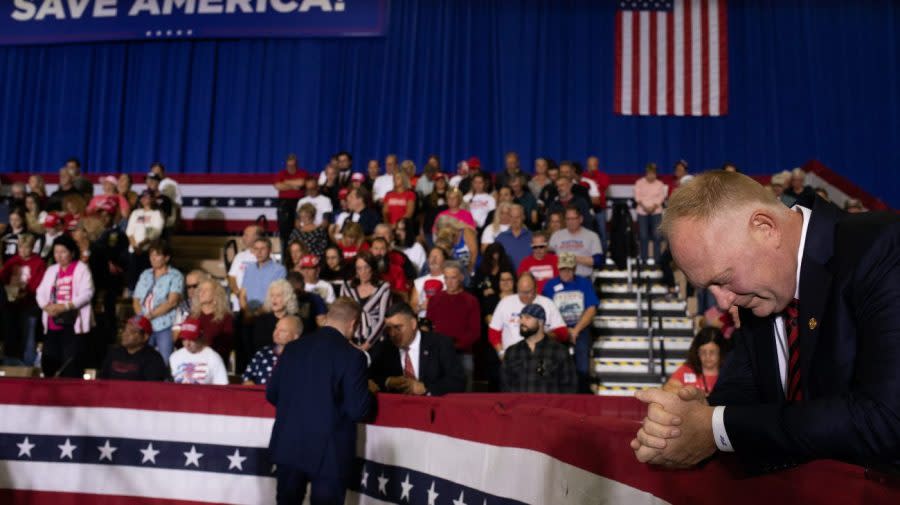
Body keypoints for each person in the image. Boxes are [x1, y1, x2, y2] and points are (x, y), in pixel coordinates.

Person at [629, 170, 900, 474]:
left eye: (724, 280)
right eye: (710, 288)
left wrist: (715, 426)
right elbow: (739, 403)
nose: (723, 302)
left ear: (765, 228)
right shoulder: (758, 292)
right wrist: (687, 419)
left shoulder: (882, 246)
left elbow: (886, 420)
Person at [267, 297, 373, 504]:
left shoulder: (293, 349)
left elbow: (272, 393)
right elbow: (357, 410)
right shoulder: (353, 357)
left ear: (327, 318)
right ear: (353, 324)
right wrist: (369, 392)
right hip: (330, 454)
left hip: (289, 444)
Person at [370, 302, 466, 396]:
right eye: (389, 329)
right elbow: (370, 377)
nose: (393, 334)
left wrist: (425, 388)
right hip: (398, 408)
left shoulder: (440, 344)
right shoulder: (385, 348)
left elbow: (457, 381)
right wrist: (388, 381)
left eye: (397, 327)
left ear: (413, 323)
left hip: (432, 407)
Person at [35, 235, 95, 378]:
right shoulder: (51, 270)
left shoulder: (81, 269)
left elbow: (87, 293)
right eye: (56, 252)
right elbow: (40, 292)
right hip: (52, 323)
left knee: (70, 365)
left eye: (63, 252)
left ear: (72, 253)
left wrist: (65, 306)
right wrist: (46, 307)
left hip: (73, 324)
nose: (59, 256)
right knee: (49, 363)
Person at [542, 253, 599, 394]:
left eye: (569, 269)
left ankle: (583, 394)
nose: (566, 273)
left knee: (582, 366)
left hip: (580, 328)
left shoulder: (584, 283)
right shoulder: (550, 286)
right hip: (557, 329)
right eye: (563, 269)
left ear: (574, 269)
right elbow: (545, 311)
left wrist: (575, 330)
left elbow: (591, 309)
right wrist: (563, 330)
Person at [500, 303, 577, 394]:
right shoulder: (512, 352)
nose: (522, 322)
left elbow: (569, 387)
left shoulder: (559, 351)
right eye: (521, 317)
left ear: (540, 322)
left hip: (550, 407)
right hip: (519, 407)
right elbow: (504, 387)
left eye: (527, 318)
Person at [488, 273, 567, 355]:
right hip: (513, 357)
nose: (525, 296)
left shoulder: (548, 303)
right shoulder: (505, 303)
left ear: (536, 288)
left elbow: (563, 333)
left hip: (542, 356)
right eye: (521, 292)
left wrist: (543, 335)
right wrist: (501, 353)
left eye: (528, 292)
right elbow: (493, 333)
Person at [426, 261, 481, 379]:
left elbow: (475, 331)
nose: (449, 282)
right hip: (438, 355)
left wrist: (455, 346)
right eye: (446, 278)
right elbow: (428, 326)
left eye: (453, 278)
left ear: (461, 277)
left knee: (464, 394)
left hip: (463, 354)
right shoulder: (435, 299)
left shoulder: (471, 301)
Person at [132, 241, 184, 366]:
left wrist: (150, 315)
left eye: (157, 255)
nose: (153, 258)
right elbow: (136, 300)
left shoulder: (175, 275)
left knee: (164, 361)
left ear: (166, 258)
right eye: (151, 255)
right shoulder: (145, 274)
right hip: (144, 325)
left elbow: (172, 302)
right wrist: (141, 317)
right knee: (140, 359)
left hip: (164, 325)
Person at [0, 233, 46, 364]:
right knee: (10, 333)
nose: (23, 251)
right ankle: (10, 362)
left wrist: (25, 291)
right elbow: (3, 278)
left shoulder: (38, 263)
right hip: (12, 305)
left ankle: (27, 363)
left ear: (32, 248)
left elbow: (38, 283)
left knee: (29, 335)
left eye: (26, 248)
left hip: (30, 305)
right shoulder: (12, 261)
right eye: (20, 247)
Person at [339, 252, 391, 347]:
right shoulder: (346, 287)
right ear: (355, 270)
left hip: (375, 339)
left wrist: (367, 345)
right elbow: (342, 315)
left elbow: (383, 319)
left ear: (373, 268)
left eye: (366, 267)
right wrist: (348, 341)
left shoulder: (383, 288)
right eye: (359, 268)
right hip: (350, 339)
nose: (363, 272)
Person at [98, 315, 169, 381]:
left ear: (145, 337)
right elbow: (102, 381)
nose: (125, 334)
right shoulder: (114, 353)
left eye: (132, 331)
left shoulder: (153, 358)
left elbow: (153, 389)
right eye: (125, 330)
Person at [663, 327, 730, 396]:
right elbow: (667, 389)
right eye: (703, 352)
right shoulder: (687, 370)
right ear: (697, 352)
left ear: (721, 352)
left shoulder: (729, 372)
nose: (707, 356)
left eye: (712, 352)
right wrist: (692, 395)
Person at [243, 315, 302, 385]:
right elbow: (247, 376)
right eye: (276, 328)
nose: (276, 333)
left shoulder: (301, 357)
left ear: (295, 336)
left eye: (283, 331)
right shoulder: (262, 353)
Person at [169, 317, 229, 385]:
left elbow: (222, 387)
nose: (187, 344)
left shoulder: (213, 357)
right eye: (184, 339)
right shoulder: (174, 357)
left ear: (200, 338)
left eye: (191, 339)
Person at [549, 206, 604, 278]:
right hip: (560, 279)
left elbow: (598, 261)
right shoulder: (556, 235)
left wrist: (571, 258)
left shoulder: (592, 236)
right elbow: (549, 258)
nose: (570, 222)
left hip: (583, 278)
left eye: (573, 219)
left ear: (580, 219)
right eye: (568, 219)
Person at [125, 190, 165, 290]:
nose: (144, 199)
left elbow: (155, 232)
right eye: (143, 197)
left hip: (148, 250)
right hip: (133, 250)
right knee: (133, 275)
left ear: (152, 199)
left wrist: (141, 245)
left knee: (147, 276)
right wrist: (135, 246)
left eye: (147, 197)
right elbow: (129, 231)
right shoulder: (135, 213)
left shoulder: (157, 214)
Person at [190, 278, 235, 363]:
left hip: (215, 362)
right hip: (193, 362)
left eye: (206, 290)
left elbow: (227, 344)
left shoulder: (226, 318)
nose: (201, 293)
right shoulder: (192, 317)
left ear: (215, 294)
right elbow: (181, 342)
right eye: (200, 290)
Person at [633, 162, 667, 262]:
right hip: (642, 211)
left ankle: (657, 259)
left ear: (656, 174)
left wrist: (653, 207)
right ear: (646, 173)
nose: (651, 176)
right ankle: (644, 259)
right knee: (643, 236)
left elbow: (661, 197)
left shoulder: (660, 184)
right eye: (649, 173)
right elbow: (637, 197)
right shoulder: (639, 183)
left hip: (656, 211)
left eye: (653, 174)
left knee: (657, 236)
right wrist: (645, 207)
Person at [274, 153, 309, 249]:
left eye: (293, 165)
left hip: (300, 203)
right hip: (284, 203)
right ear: (286, 165)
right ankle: (285, 256)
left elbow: (301, 183)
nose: (291, 167)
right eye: (289, 165)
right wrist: (294, 185)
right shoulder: (282, 173)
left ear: (297, 164)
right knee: (285, 230)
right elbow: (278, 186)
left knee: (299, 228)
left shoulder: (302, 172)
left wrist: (285, 182)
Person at [227, 225, 264, 313]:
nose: (243, 237)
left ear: (256, 237)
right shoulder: (240, 256)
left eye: (246, 235)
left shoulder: (268, 257)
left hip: (259, 306)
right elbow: (231, 277)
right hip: (238, 306)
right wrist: (238, 293)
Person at [410, 246, 446, 317]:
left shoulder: (451, 279)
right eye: (431, 256)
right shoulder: (419, 282)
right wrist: (421, 307)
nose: (433, 260)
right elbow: (412, 308)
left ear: (444, 260)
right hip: (423, 321)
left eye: (437, 256)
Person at [494, 204, 533, 270]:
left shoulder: (532, 236)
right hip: (508, 278)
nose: (514, 220)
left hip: (527, 277)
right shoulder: (500, 238)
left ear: (523, 217)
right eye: (512, 217)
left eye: (517, 217)